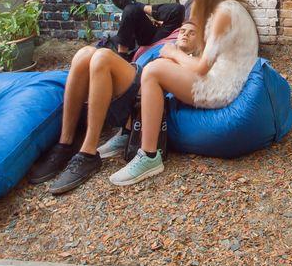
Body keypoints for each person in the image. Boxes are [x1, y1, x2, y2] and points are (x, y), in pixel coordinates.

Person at [109, 0, 259, 186]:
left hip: (222, 89)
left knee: (152, 71)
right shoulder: (232, 6)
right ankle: (129, 132)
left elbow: (201, 68)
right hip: (229, 78)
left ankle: (149, 155)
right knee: (160, 66)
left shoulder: (222, 14)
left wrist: (173, 53)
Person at [29, 20, 199, 195]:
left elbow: (193, 80)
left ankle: (87, 153)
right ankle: (65, 145)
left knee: (102, 56)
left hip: (144, 92)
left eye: (191, 33)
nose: (185, 34)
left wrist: (175, 54)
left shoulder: (195, 59)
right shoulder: (162, 50)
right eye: (182, 31)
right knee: (84, 53)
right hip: (136, 86)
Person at [101, 0, 186, 62]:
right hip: (159, 33)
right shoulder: (191, 3)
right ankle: (136, 5)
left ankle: (122, 55)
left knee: (130, 10)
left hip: (159, 39)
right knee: (178, 9)